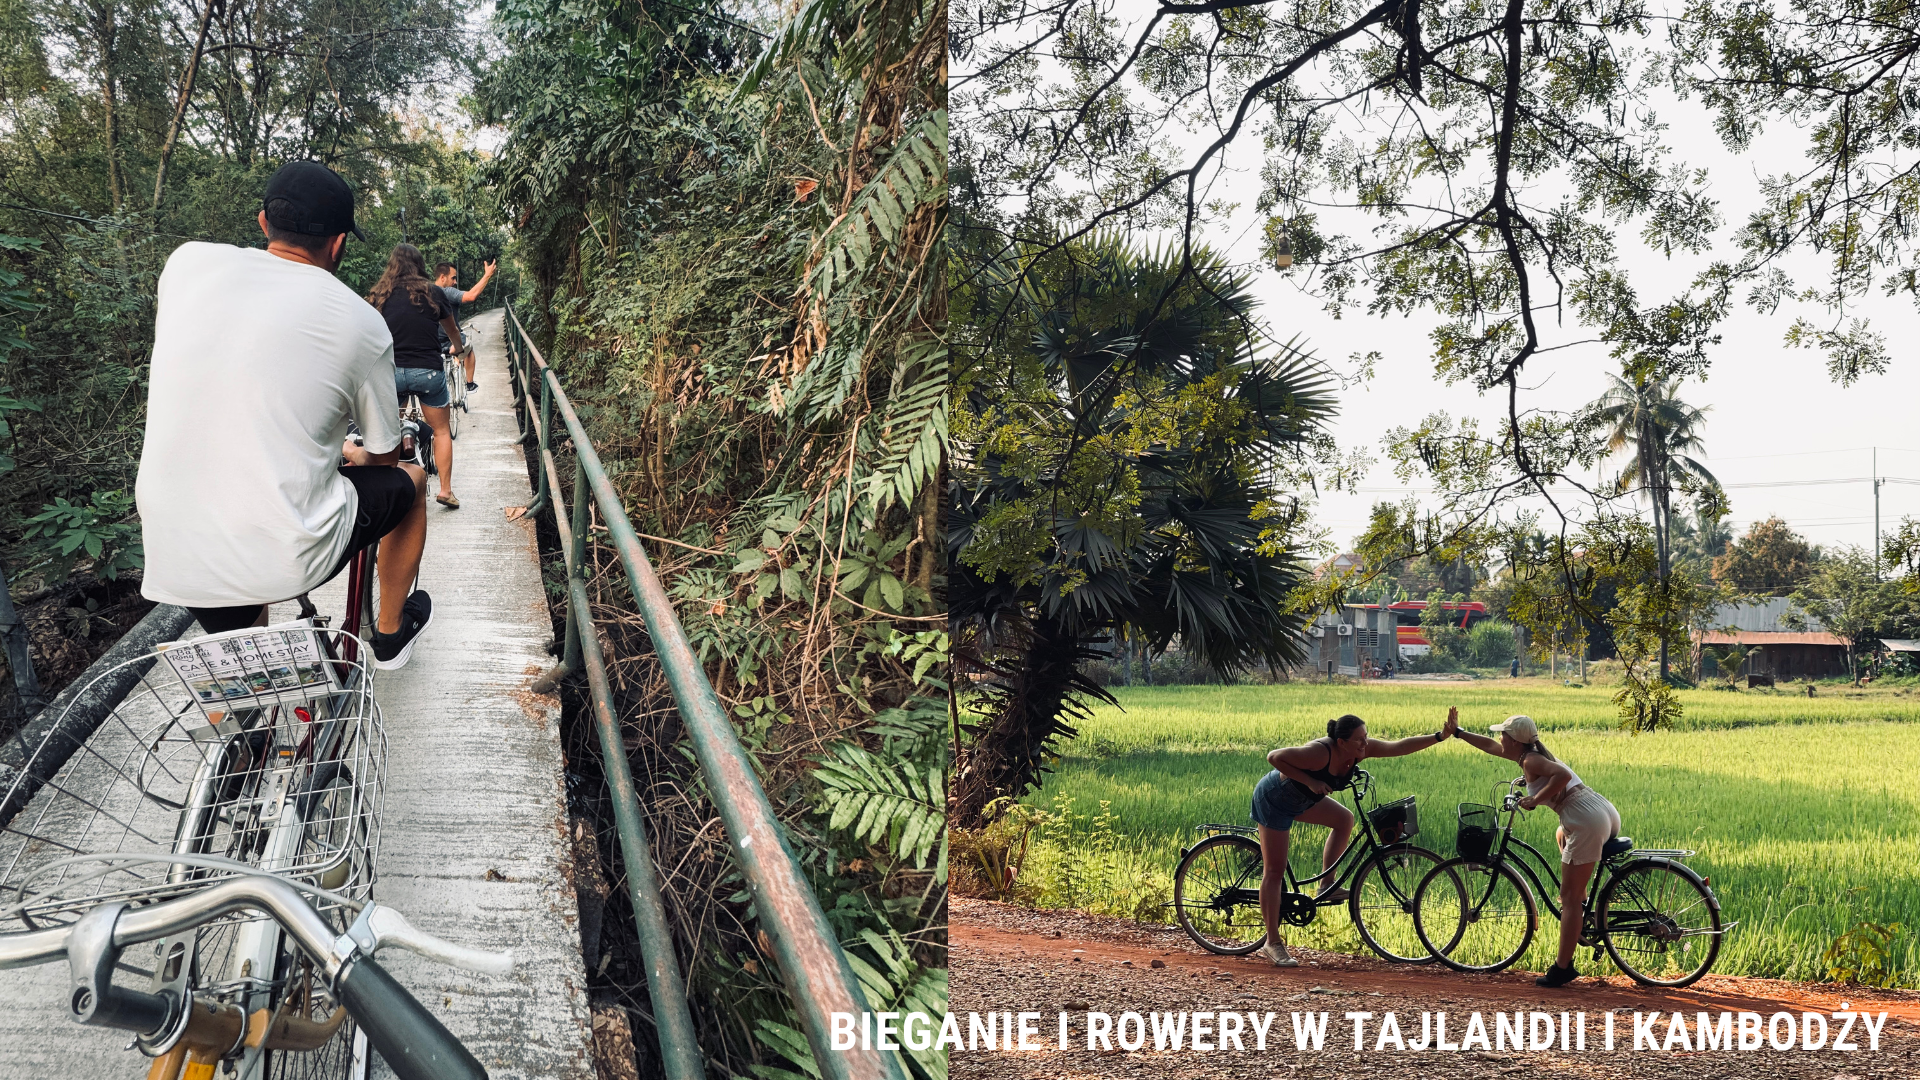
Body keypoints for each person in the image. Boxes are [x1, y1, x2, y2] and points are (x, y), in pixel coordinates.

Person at [136, 160, 434, 669]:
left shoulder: (186, 265)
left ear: (262, 222)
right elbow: (383, 455)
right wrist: (354, 451)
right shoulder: (361, 322)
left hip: (173, 541)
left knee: (250, 655)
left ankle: (253, 735)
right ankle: (389, 636)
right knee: (413, 479)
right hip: (289, 548)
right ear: (339, 244)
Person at [1250, 709, 1459, 966]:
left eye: (1366, 737)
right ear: (1341, 743)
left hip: (1304, 800)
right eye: (1360, 739)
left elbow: (1399, 746)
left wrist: (1440, 736)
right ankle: (1272, 942)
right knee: (1274, 871)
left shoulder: (1359, 751)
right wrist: (1310, 781)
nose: (1366, 743)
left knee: (1344, 819)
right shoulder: (1319, 753)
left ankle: (1327, 884)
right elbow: (1274, 757)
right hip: (1275, 799)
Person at [1452, 713, 1623, 987]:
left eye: (1503, 734)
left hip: (1585, 818)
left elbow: (1562, 775)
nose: (1499, 738)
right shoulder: (1528, 756)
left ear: (1514, 740)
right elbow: (1488, 745)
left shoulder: (1531, 759)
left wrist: (1534, 799)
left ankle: (1562, 968)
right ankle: (1582, 906)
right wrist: (1458, 732)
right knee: (1561, 836)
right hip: (1600, 810)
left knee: (1568, 899)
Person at [372, 244, 465, 510]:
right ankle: (446, 491)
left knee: (388, 428)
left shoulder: (380, 294)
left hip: (391, 373)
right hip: (428, 372)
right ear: (420, 265)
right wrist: (458, 348)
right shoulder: (433, 292)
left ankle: (390, 482)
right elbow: (452, 330)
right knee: (441, 430)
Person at [433, 259, 496, 392]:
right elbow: (471, 296)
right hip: (449, 339)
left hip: (433, 342)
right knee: (468, 348)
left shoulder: (427, 292)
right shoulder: (448, 292)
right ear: (442, 278)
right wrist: (487, 275)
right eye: (453, 278)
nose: (455, 282)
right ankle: (470, 384)